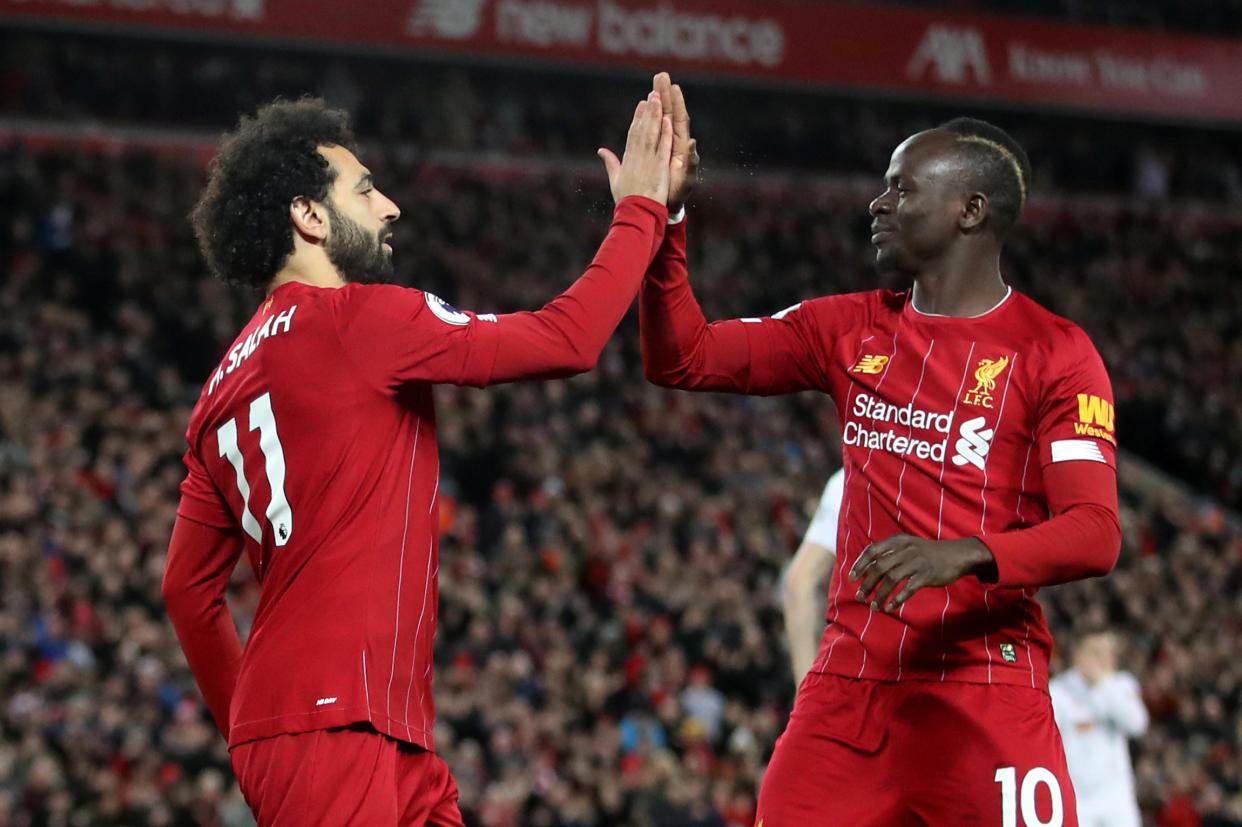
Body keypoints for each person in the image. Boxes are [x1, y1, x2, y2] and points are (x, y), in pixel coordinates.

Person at [161, 95, 674, 825]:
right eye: (366, 189)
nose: (390, 207)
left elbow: (187, 593)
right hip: (340, 732)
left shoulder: (216, 392)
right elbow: (569, 339)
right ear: (308, 216)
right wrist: (642, 213)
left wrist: (254, 734)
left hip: (370, 737)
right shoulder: (360, 320)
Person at [640, 72, 1122, 825]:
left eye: (902, 189)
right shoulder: (848, 328)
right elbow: (684, 355)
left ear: (971, 209)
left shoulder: (1055, 352)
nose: (878, 204)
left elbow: (1096, 532)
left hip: (984, 694)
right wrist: (666, 215)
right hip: (847, 693)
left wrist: (962, 553)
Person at [1050, 631, 1148, 827]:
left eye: (1107, 653)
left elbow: (1137, 725)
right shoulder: (1058, 691)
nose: (1103, 659)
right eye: (1096, 652)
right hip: (1077, 795)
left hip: (1116, 795)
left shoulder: (1121, 684)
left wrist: (1103, 684)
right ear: (1078, 654)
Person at [781, 469, 845, 685]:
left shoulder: (851, 477)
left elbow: (798, 584)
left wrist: (804, 691)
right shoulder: (950, 464)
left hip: (870, 672)